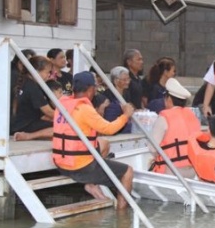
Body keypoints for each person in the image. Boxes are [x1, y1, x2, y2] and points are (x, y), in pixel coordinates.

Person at [52, 71, 135, 209]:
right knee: (127, 172)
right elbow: (109, 129)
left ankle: (91, 184)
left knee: (104, 143)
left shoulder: (62, 103)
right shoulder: (84, 109)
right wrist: (126, 115)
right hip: (79, 167)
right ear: (91, 89)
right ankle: (122, 214)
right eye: (95, 87)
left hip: (60, 163)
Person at [149, 78, 201, 178]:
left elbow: (152, 147)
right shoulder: (192, 115)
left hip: (171, 169)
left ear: (168, 99)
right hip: (192, 169)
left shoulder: (165, 117)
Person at [11, 56, 55, 141]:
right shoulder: (32, 87)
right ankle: (30, 136)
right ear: (37, 71)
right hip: (26, 126)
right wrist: (68, 117)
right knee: (64, 127)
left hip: (18, 124)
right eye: (48, 72)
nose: (49, 75)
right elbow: (49, 112)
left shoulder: (24, 82)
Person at [102, 66, 132, 134]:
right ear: (115, 81)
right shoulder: (107, 94)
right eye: (124, 80)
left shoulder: (126, 93)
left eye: (128, 79)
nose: (127, 82)